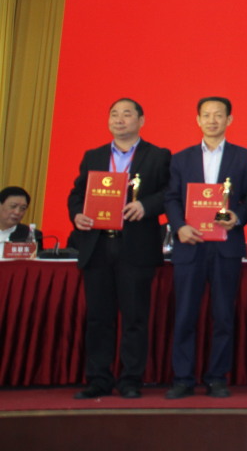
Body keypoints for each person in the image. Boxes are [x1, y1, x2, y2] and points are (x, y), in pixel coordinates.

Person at [67, 98, 171, 399]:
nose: (119, 119)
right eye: (114, 114)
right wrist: (77, 214)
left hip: (136, 247)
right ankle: (98, 379)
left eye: (127, 114)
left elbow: (170, 192)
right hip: (98, 246)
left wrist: (146, 205)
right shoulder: (94, 156)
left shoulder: (158, 156)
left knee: (135, 317)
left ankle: (130, 379)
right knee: (98, 318)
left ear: (141, 120)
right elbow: (77, 194)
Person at [162, 96, 247, 399]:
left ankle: (217, 377)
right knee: (185, 315)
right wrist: (179, 226)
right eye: (206, 115)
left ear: (229, 120)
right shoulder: (181, 158)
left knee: (223, 316)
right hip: (190, 245)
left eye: (219, 115)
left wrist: (237, 217)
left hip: (226, 247)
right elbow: (171, 198)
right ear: (198, 120)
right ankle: (183, 378)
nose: (212, 120)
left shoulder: (243, 157)